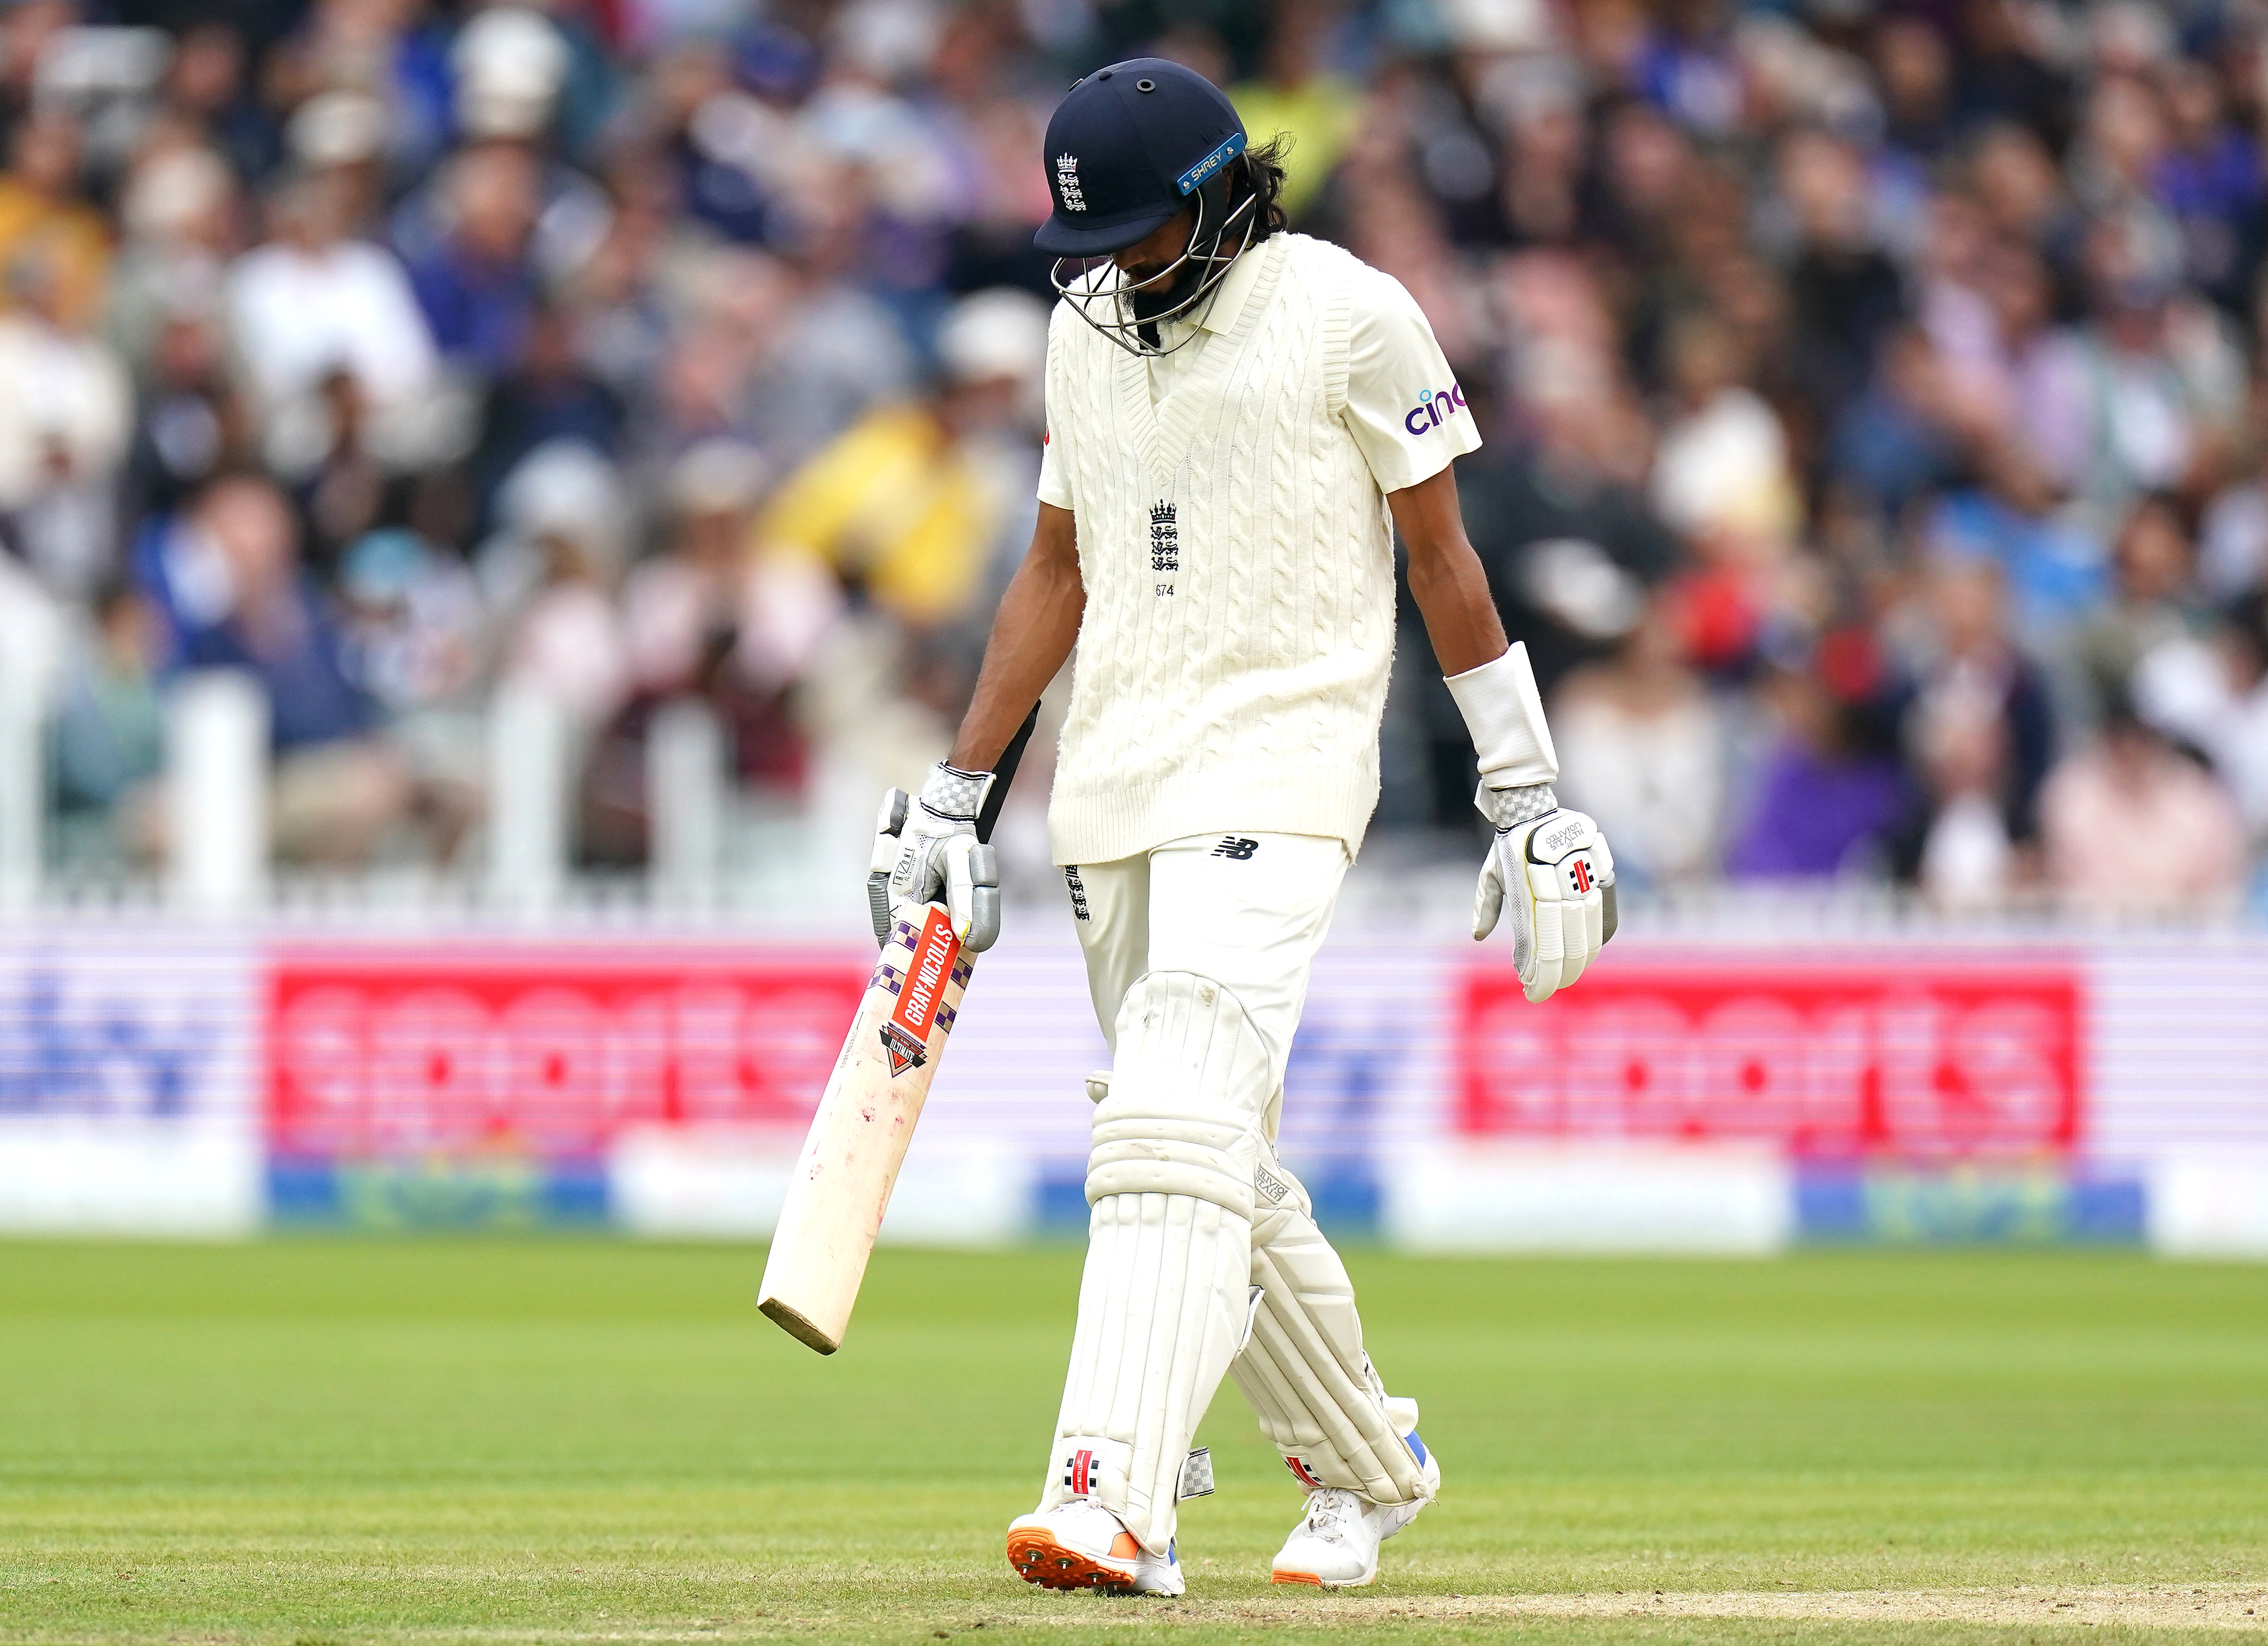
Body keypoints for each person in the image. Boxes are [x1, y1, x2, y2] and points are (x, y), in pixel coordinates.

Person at [867, 61, 1618, 1597]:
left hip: (1283, 767)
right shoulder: (1084, 331)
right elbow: (1053, 574)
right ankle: (1364, 1464)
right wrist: (960, 793)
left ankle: (1110, 1497)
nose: (1122, 270)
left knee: (1170, 1122)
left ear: (1221, 190)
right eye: (1097, 246)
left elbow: (1444, 564)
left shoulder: (1347, 309)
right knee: (1215, 1160)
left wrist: (1525, 795)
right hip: (1113, 784)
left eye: (1145, 236)